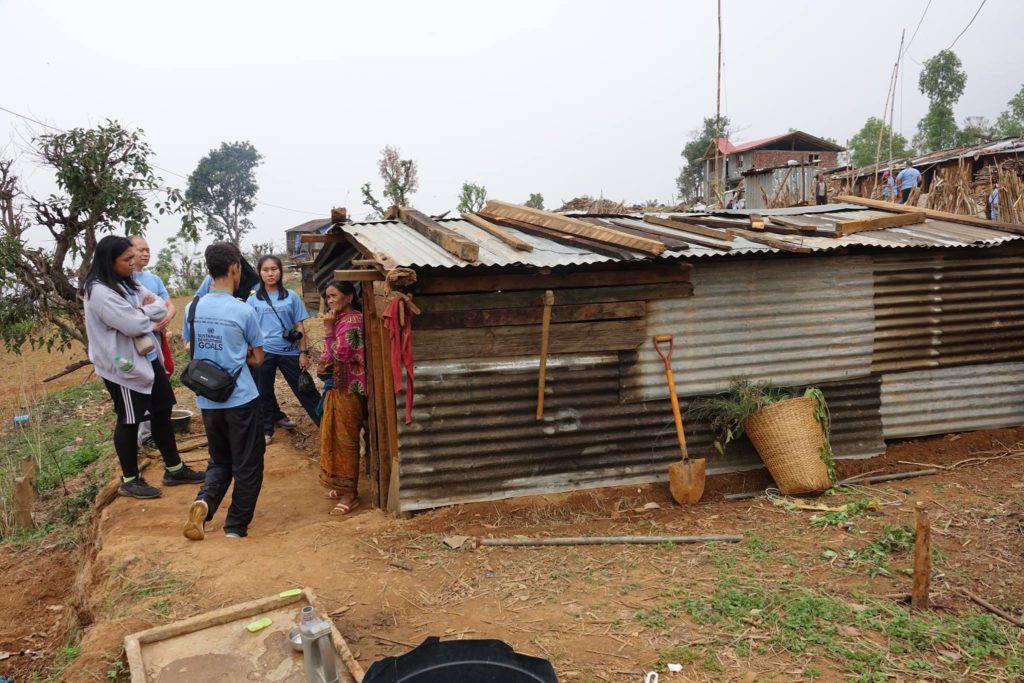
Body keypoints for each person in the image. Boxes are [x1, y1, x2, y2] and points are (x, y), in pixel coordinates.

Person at [83, 236, 205, 499]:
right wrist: (144, 311)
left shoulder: (127, 282)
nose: (133, 263)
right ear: (109, 261)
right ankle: (129, 479)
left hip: (149, 360)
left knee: (162, 411)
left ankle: (174, 469)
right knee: (129, 420)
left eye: (133, 258)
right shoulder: (100, 292)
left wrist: (143, 310)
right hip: (124, 367)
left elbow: (160, 309)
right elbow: (134, 325)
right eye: (127, 259)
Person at [182, 242, 266, 540]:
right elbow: (258, 358)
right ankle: (235, 527)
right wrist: (237, 352)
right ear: (235, 268)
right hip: (241, 398)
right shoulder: (243, 311)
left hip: (207, 398)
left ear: (209, 270)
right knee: (248, 463)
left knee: (219, 460)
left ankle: (204, 502)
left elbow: (189, 346)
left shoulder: (192, 308)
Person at [247, 255, 320, 444]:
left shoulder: (291, 297)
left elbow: (299, 327)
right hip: (264, 352)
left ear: (280, 271)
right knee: (263, 392)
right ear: (260, 273)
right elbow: (248, 328)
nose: (270, 273)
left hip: (290, 352)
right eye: (265, 270)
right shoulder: (254, 300)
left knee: (306, 390)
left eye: (274, 269)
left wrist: (303, 353)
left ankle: (325, 423)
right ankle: (266, 430)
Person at [317, 280, 367, 516]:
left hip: (350, 389)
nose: (330, 301)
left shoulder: (353, 321)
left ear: (349, 297)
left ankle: (351, 494)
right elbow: (326, 359)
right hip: (338, 387)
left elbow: (341, 354)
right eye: (327, 297)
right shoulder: (339, 320)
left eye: (334, 296)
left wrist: (328, 332)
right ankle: (339, 484)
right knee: (333, 437)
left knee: (346, 441)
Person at [129, 236, 176, 449]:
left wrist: (165, 318)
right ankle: (144, 434)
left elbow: (167, 305)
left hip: (156, 339)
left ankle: (156, 431)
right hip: (136, 343)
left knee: (160, 381)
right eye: (141, 250)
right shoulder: (124, 281)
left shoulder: (154, 279)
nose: (146, 253)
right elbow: (131, 314)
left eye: (148, 249)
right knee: (142, 384)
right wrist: (151, 319)